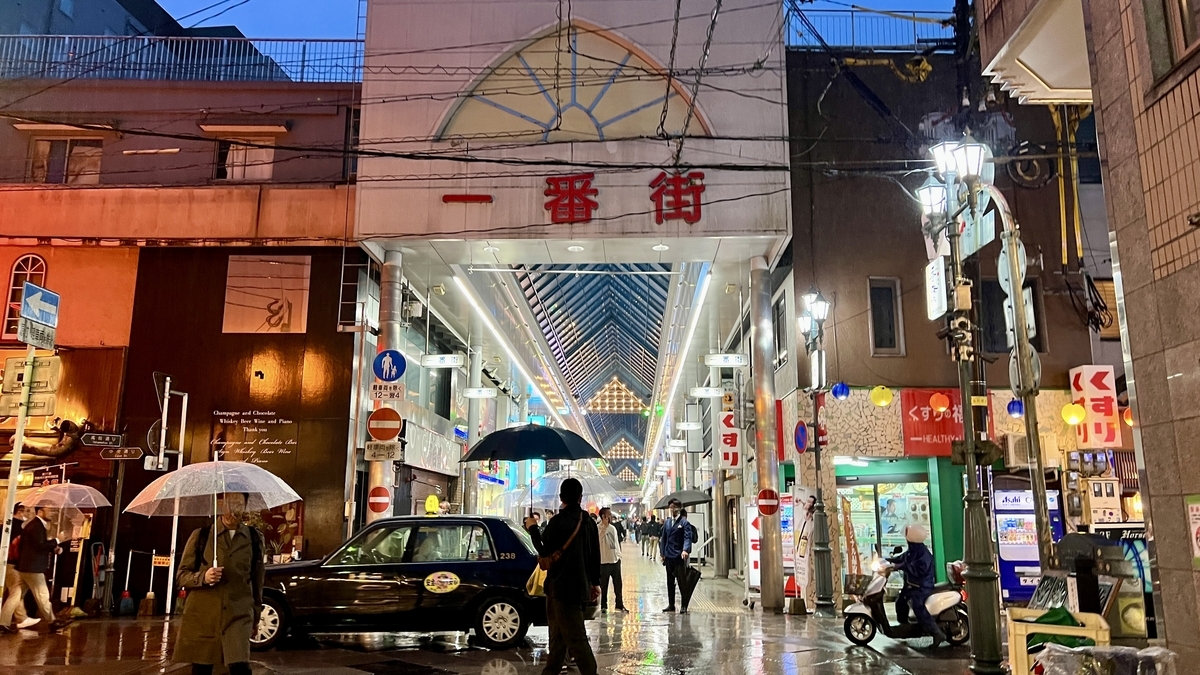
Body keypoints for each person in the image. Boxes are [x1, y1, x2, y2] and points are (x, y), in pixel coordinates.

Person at [174, 493, 265, 675]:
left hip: (237, 615)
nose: (234, 509)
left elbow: (257, 580)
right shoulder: (201, 536)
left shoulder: (254, 539)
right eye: (230, 503)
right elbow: (181, 576)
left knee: (240, 667)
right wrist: (203, 577)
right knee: (202, 667)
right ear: (221, 504)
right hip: (203, 617)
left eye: (239, 503)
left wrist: (255, 615)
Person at [523, 478, 600, 675]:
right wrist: (595, 583)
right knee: (558, 639)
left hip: (561, 590)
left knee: (576, 640)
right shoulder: (589, 522)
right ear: (580, 498)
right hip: (581, 588)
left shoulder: (557, 523)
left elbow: (543, 551)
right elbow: (594, 555)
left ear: (561, 498)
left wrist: (532, 528)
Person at [1, 505, 64, 632]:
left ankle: (3, 622)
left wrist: (53, 548)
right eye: (50, 510)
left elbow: (33, 546)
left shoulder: (32, 526)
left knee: (15, 595)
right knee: (42, 595)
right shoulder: (36, 526)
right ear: (40, 512)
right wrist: (57, 540)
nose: (52, 513)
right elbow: (39, 545)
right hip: (33, 568)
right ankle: (53, 621)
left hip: (25, 567)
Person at [887, 524, 945, 648]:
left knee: (918, 606)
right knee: (900, 601)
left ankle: (936, 633)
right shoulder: (914, 549)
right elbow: (904, 557)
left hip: (923, 586)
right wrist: (889, 560)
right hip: (913, 584)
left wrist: (901, 566)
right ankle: (905, 627)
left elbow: (918, 570)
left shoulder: (923, 554)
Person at [2, 505, 39, 631]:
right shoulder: (19, 529)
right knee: (16, 591)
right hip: (13, 563)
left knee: (15, 591)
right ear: (19, 512)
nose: (29, 514)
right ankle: (6, 620)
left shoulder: (6, 526)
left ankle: (21, 617)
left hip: (6, 563)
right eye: (27, 511)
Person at [659, 500, 693, 613]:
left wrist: (685, 550)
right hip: (668, 556)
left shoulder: (684, 523)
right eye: (670, 508)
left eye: (674, 507)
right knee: (670, 581)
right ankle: (671, 604)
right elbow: (663, 538)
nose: (672, 510)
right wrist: (662, 553)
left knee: (682, 582)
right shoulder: (667, 522)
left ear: (678, 509)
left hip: (679, 556)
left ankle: (684, 606)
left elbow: (688, 537)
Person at [597, 508, 627, 613]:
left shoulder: (613, 528)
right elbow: (598, 541)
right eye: (608, 515)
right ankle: (603, 605)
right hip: (604, 562)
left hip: (615, 561)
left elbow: (615, 543)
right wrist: (603, 528)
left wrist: (619, 555)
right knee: (604, 585)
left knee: (618, 584)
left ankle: (619, 604)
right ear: (603, 516)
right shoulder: (598, 528)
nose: (610, 517)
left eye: (610, 515)